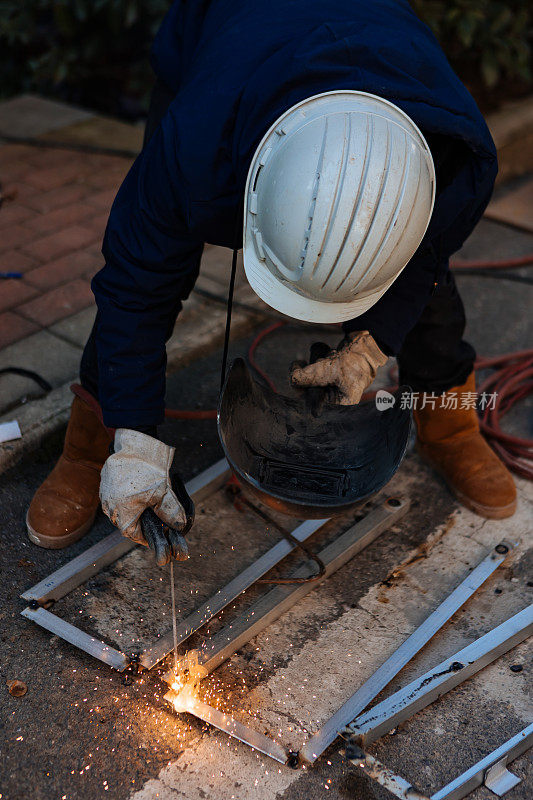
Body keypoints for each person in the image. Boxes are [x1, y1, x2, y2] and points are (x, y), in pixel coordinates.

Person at [26, 0, 516, 562]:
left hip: (370, 46)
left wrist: (369, 345)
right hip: (227, 39)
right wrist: (135, 438)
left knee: (420, 278)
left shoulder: (453, 150)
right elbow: (134, 287)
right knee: (154, 273)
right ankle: (92, 446)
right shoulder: (194, 146)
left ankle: (449, 424)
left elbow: (424, 260)